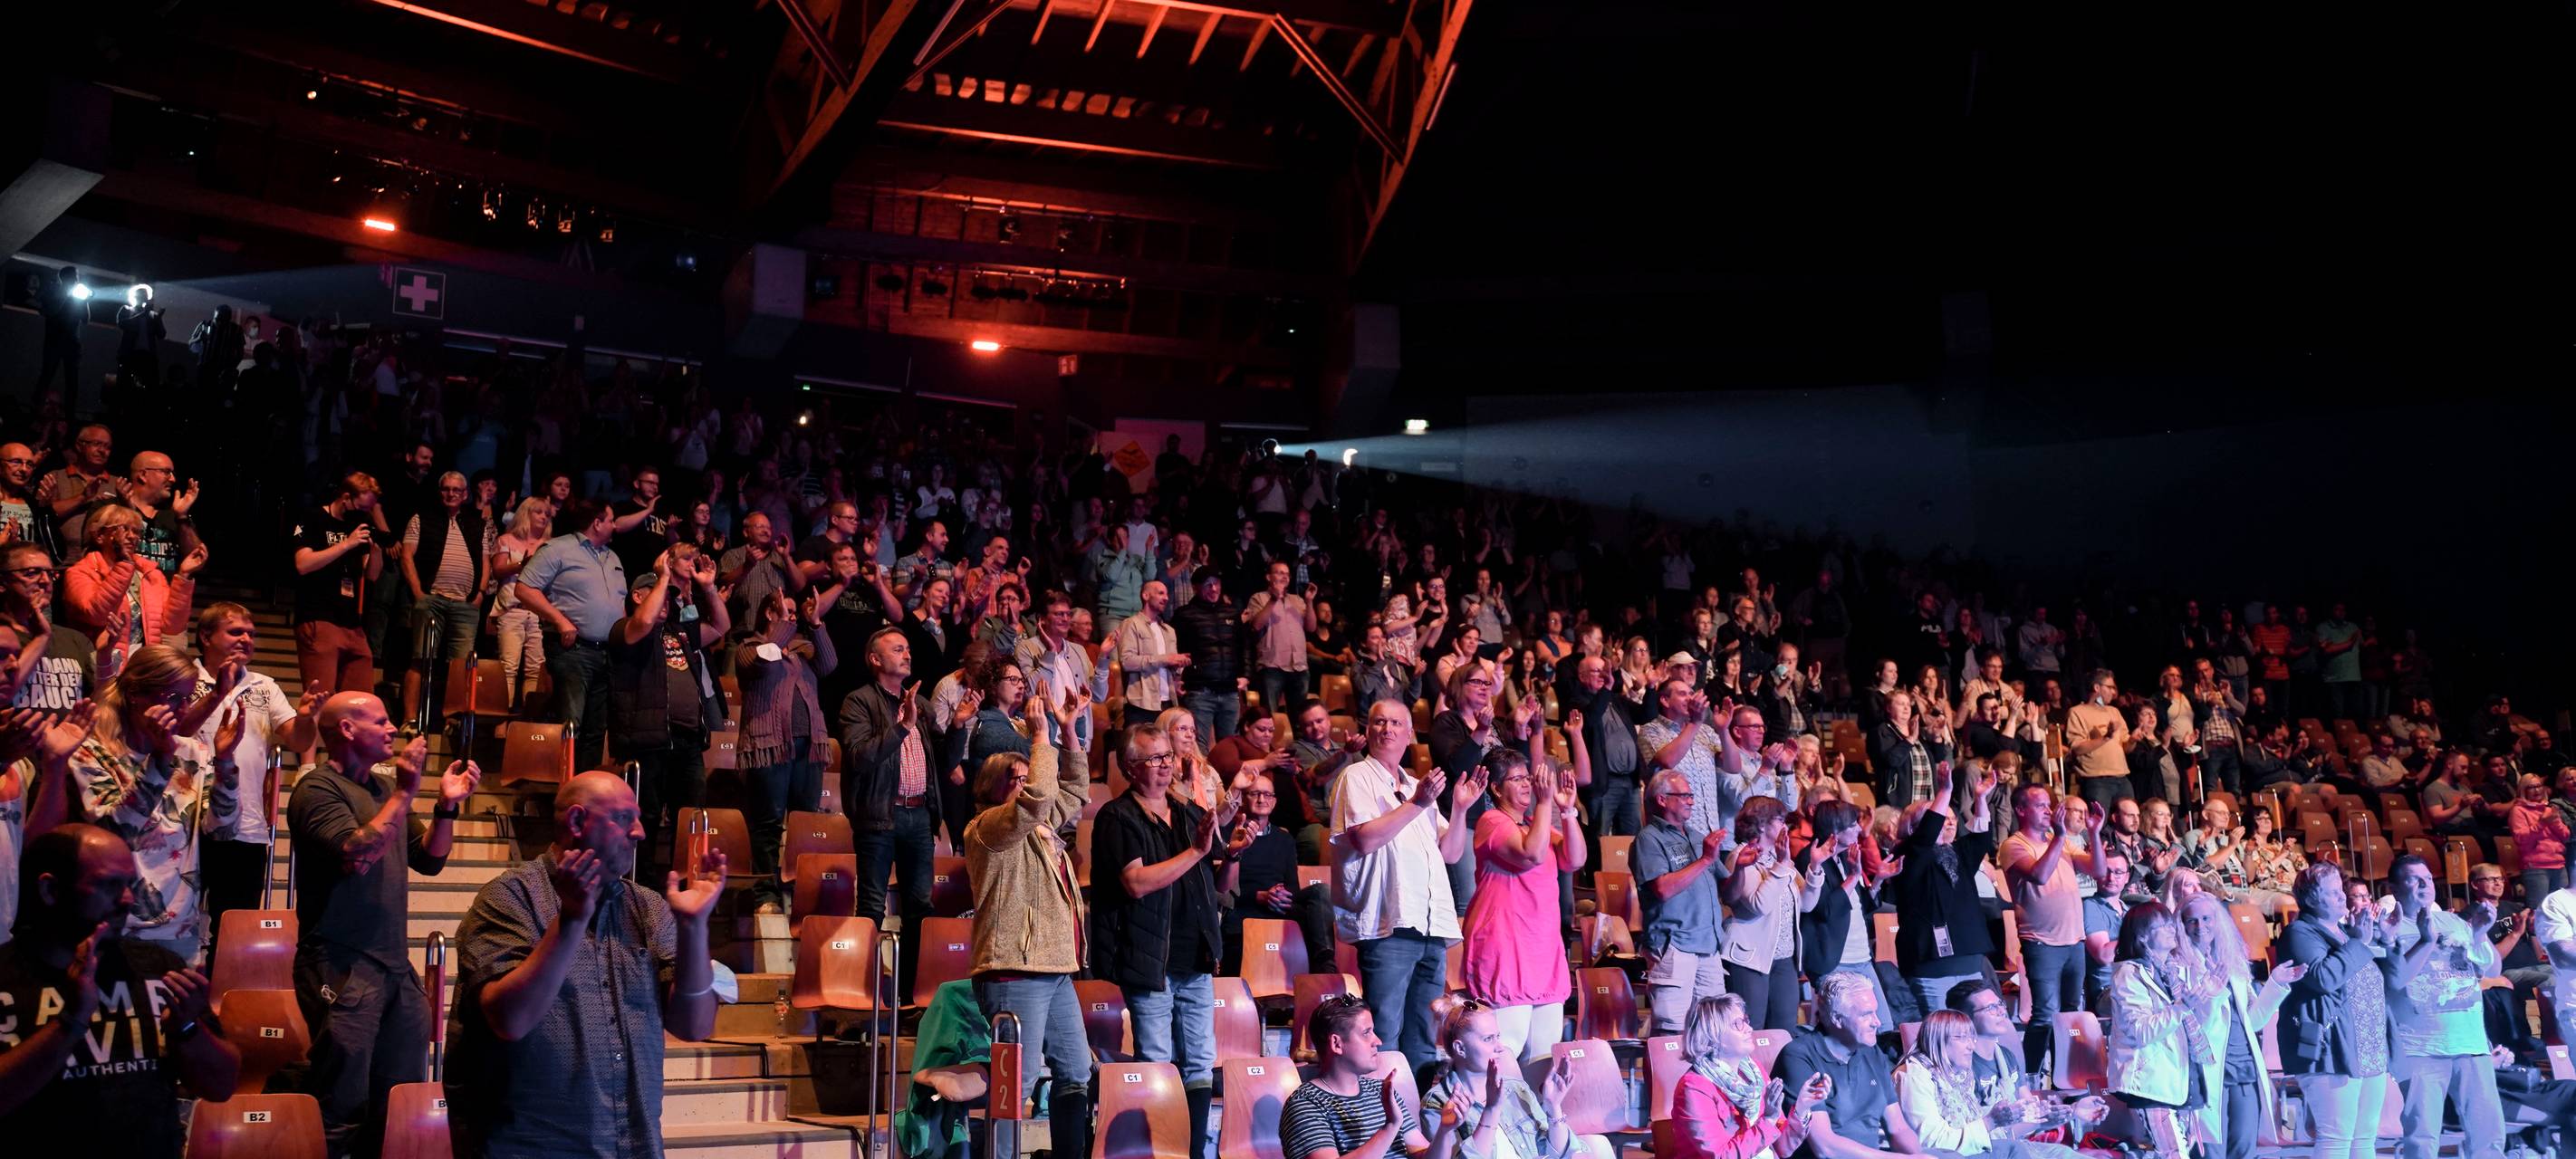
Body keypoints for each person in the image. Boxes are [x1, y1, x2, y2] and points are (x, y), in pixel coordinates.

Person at [446, 771, 726, 1158]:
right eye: (626, 818)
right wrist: (572, 921)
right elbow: (509, 1019)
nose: (640, 833)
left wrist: (694, 927)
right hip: (531, 1147)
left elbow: (694, 1026)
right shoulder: (510, 898)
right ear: (577, 822)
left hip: (633, 1146)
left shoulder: (646, 907)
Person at [287, 691, 482, 1158]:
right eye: (382, 722)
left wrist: (445, 808)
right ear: (349, 731)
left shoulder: (379, 788)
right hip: (341, 964)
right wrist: (404, 792)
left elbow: (429, 859)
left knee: (397, 1103)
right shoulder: (317, 788)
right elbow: (357, 855)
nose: (394, 730)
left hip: (393, 966)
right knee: (341, 1104)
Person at [0, 824, 241, 1154]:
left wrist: (187, 1028)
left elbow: (221, 1086)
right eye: (108, 884)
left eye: (128, 884)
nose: (128, 898)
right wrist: (71, 1021)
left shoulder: (157, 969)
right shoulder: (6, 979)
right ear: (50, 891)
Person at [1091, 722, 1235, 1159]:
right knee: (1156, 1058)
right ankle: (1157, 1148)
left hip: (1195, 955)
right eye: (1154, 758)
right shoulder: (1118, 816)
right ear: (1132, 768)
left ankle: (1190, 1151)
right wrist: (1195, 851)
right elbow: (1135, 883)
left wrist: (1234, 852)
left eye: (1167, 757)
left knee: (1200, 1061)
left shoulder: (1186, 809)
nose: (1164, 765)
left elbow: (1219, 882)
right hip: (1148, 958)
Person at [961, 690, 1091, 1159]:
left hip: (1054, 966)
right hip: (1014, 967)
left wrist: (1070, 732)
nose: (1024, 784)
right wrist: (1040, 737)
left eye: (1026, 777)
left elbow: (1072, 792)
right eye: (1014, 779)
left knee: (1077, 1070)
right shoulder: (987, 828)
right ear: (995, 788)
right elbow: (1038, 800)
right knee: (1017, 1084)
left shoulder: (1036, 826)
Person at [1331, 697, 1482, 1069]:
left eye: (1396, 723)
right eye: (1379, 722)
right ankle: (1383, 1120)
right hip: (1389, 924)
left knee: (1423, 1035)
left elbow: (1450, 852)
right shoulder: (1357, 777)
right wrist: (1417, 803)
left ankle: (1414, 1118)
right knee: (1384, 1031)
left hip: (1429, 924)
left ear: (1410, 734)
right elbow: (1364, 839)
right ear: (1367, 731)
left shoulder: (1418, 786)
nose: (1387, 729)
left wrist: (1459, 809)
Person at [71, 644, 240, 964]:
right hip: (112, 926)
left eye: (188, 697)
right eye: (173, 697)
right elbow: (117, 833)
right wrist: (160, 761)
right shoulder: (91, 752)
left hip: (179, 929)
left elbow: (223, 831)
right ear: (136, 694)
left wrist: (227, 763)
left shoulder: (190, 751)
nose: (184, 709)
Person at [188, 604, 319, 946]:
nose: (246, 639)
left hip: (245, 827)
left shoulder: (265, 686)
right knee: (180, 924)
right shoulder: (184, 678)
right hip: (184, 825)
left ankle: (223, 1000)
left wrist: (306, 717)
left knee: (234, 934)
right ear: (205, 636)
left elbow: (297, 738)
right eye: (236, 632)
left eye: (251, 634)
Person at [840, 626, 956, 998]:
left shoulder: (921, 706)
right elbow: (859, 757)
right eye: (897, 650)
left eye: (908, 649)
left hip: (919, 817)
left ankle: (911, 997)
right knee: (872, 907)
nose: (907, 655)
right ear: (875, 659)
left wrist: (959, 726)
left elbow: (943, 762)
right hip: (878, 816)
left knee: (920, 909)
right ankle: (861, 997)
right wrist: (902, 728)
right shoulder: (858, 701)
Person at [606, 552, 728, 883]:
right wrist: (662, 577)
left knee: (690, 818)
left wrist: (709, 589)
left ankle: (688, 888)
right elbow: (643, 622)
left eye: (668, 596)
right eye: (659, 594)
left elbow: (720, 627)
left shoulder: (680, 632)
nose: (666, 603)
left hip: (687, 741)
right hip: (647, 742)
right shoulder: (625, 630)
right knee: (642, 819)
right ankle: (639, 892)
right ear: (638, 596)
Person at [1458, 746, 1582, 1062]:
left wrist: (1566, 812)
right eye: (1517, 779)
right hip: (1507, 947)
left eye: (1528, 777)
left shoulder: (1535, 824)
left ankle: (1538, 1113)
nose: (1527, 784)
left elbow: (1575, 858)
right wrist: (1544, 803)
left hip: (1542, 949)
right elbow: (1531, 854)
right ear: (1497, 788)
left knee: (1544, 1055)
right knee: (1505, 1051)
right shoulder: (1492, 821)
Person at [2383, 854, 2506, 1159]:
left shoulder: (2454, 922)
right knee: (2422, 1138)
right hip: (2421, 1048)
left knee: (2488, 1136)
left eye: (2428, 877)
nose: (2426, 884)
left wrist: (2479, 933)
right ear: (2395, 887)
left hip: (2471, 1044)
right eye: (2415, 878)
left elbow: (2492, 970)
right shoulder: (2388, 927)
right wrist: (2425, 941)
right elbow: (2395, 981)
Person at [2276, 862, 2395, 1159]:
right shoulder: (2300, 933)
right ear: (2312, 899)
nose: (2343, 897)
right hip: (2331, 1050)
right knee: (2336, 1139)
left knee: (2364, 1139)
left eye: (2341, 891)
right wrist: (2358, 942)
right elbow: (2322, 978)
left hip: (2367, 1048)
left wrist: (2385, 939)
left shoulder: (2345, 933)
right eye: (2333, 893)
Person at [732, 589, 839, 913]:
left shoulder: (801, 651)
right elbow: (765, 661)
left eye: (795, 613)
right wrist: (782, 631)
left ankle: (802, 890)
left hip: (808, 746)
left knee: (804, 823)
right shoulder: (749, 648)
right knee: (768, 823)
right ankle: (766, 895)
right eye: (787, 611)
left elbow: (829, 663)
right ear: (769, 613)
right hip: (770, 746)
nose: (794, 617)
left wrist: (815, 622)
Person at [2177, 892, 2305, 1159]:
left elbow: (2254, 1020)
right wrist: (2210, 993)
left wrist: (2276, 983)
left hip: (2244, 1066)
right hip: (2210, 1071)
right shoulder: (2179, 967)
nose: (2201, 927)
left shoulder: (2232, 961)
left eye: (2206, 918)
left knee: (2244, 1150)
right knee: (2212, 1152)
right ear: (2182, 925)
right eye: (2192, 921)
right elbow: (2193, 1026)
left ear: (2218, 921)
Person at [514, 498, 628, 770]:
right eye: (611, 520)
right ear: (597, 523)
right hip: (572, 650)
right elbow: (525, 588)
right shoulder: (558, 549)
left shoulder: (613, 556)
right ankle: (563, 792)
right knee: (571, 724)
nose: (615, 525)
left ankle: (584, 791)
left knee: (596, 729)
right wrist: (560, 620)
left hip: (607, 653)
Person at [2001, 782, 2104, 1065]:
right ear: (2021, 810)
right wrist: (2058, 838)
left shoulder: (2059, 840)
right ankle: (2031, 1077)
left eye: (2049, 804)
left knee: (2071, 1013)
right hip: (2042, 943)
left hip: (2074, 940)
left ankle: (2066, 1076)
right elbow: (2040, 875)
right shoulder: (2013, 845)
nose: (2048, 810)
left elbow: (2099, 870)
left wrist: (2093, 834)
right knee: (2045, 1014)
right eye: (2040, 805)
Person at [1894, 1009, 2086, 1159]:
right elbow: (1932, 1141)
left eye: (1971, 1037)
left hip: (1985, 1148)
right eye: (1961, 1038)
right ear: (1937, 1040)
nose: (1971, 1045)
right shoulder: (1914, 1075)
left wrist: (2045, 1121)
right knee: (2013, 1150)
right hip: (1950, 1155)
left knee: (2066, 1154)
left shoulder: (1959, 1074)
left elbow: (1996, 1135)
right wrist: (1991, 1121)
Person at [1888, 760, 1999, 1018]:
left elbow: (1981, 837)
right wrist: (1944, 791)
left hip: (1968, 957)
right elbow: (1925, 839)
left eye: (1951, 819)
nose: (1948, 823)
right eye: (1940, 818)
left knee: (1970, 1030)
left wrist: (1980, 799)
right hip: (1930, 963)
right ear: (1915, 827)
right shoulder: (1906, 854)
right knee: (1940, 1033)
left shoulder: (1956, 853)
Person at [1420, 999, 1593, 1159]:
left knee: (1597, 1145)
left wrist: (1553, 1106)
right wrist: (1492, 1110)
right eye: (1488, 1039)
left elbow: (1561, 1154)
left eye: (1498, 1037)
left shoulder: (1515, 1088)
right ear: (1460, 1048)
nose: (1500, 1047)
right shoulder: (1439, 1102)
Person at [1776, 970, 1919, 1159]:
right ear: (1836, 1018)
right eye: (1866, 1015)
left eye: (1875, 1012)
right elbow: (1825, 1147)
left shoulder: (1872, 1052)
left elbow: (1898, 1129)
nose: (1877, 1022)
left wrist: (1918, 1156)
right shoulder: (1799, 1056)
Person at [1661, 992, 1821, 1159]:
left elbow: (1782, 1149)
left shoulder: (1754, 1073)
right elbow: (1722, 1156)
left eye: (1746, 1020)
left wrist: (1802, 1107)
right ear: (1712, 1036)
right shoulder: (1694, 1088)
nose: (1749, 1029)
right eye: (1737, 1024)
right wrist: (1767, 1120)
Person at [1278, 995, 1432, 1159]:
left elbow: (1424, 1155)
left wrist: (1445, 1129)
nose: (1378, 1041)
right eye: (1366, 1033)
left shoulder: (1381, 1091)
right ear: (1337, 1044)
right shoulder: (1305, 1104)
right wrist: (1390, 1126)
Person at [62, 501, 204, 677]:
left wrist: (183, 575)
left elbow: (172, 626)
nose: (132, 536)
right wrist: (125, 565)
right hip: (99, 670)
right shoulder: (80, 572)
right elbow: (96, 614)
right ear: (99, 536)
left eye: (136, 531)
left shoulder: (150, 574)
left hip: (143, 672)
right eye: (122, 529)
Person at [1216, 769, 1334, 976]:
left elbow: (1293, 886)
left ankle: (1325, 963)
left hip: (1279, 907)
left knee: (1321, 892)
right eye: (1255, 794)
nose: (1262, 799)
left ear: (1274, 801)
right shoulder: (1229, 834)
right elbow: (1221, 888)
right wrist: (1259, 896)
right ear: (1244, 799)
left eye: (1267, 794)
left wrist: (1281, 894)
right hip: (1243, 908)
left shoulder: (1285, 839)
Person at [1637, 770, 1727, 1034]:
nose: (1691, 801)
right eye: (1684, 795)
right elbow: (1662, 889)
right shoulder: (1649, 839)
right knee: (1672, 1034)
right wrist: (1705, 860)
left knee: (1713, 1033)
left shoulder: (1697, 837)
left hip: (1708, 948)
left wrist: (1744, 866)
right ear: (1663, 799)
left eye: (1691, 795)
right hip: (1674, 947)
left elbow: (1727, 887)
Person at [397, 471, 493, 721]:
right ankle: (409, 719)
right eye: (446, 489)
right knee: (420, 658)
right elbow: (406, 555)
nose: (451, 494)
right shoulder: (422, 518)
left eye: (456, 490)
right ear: (440, 492)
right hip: (432, 598)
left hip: (466, 603)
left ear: (465, 495)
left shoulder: (476, 523)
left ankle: (452, 719)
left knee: (460, 666)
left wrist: (480, 593)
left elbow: (485, 561)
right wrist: (418, 593)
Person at [1800, 798, 1894, 1034]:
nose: (1859, 829)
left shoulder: (1845, 856)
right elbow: (1825, 911)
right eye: (1852, 825)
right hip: (1834, 963)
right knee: (1849, 1032)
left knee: (1883, 1027)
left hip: (1862, 958)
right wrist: (1853, 876)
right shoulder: (1810, 858)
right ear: (1834, 829)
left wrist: (1878, 879)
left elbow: (1859, 905)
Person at [1719, 794, 1811, 1032]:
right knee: (1752, 1028)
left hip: (1784, 958)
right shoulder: (1741, 855)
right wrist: (1781, 865)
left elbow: (1807, 903)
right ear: (1761, 824)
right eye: (1780, 820)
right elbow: (1759, 904)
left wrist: (1817, 868)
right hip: (1751, 958)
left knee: (1784, 1030)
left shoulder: (1779, 858)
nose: (1785, 826)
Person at [3, 543, 94, 711]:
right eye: (32, 573)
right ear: (2, 582)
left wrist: (105, 658)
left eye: (50, 574)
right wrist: (42, 638)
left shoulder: (74, 640)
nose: (45, 581)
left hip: (70, 736)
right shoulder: (4, 637)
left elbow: (101, 700)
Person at [485, 498, 554, 711]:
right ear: (526, 514)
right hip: (512, 610)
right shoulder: (507, 540)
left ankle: (528, 721)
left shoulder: (550, 545)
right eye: (538, 512)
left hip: (539, 613)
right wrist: (521, 565)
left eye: (547, 514)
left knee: (536, 670)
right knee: (508, 667)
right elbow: (497, 571)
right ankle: (501, 723)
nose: (544, 517)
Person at [1016, 589, 1106, 752]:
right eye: (1059, 614)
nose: (1065, 619)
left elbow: (1098, 696)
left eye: (1067, 614)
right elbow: (1029, 693)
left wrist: (1104, 658)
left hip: (1077, 733)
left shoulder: (1078, 650)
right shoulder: (1026, 648)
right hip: (1046, 734)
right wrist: (1050, 652)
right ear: (1042, 619)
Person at [1170, 570, 1245, 745]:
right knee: (1197, 746)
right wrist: (1176, 676)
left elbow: (1243, 646)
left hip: (1229, 690)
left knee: (1229, 747)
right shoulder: (1184, 614)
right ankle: (1198, 774)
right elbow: (1174, 649)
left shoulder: (1232, 612)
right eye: (1208, 584)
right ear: (1196, 588)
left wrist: (1245, 675)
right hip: (1199, 691)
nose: (1214, 589)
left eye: (1216, 583)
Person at [1244, 561, 1319, 714]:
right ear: (1268, 577)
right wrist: (1274, 599)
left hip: (1299, 666)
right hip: (1272, 666)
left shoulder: (1297, 600)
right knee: (1269, 716)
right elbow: (1256, 625)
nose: (1284, 576)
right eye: (1279, 573)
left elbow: (1311, 627)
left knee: (1299, 719)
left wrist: (1310, 601)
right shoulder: (1258, 598)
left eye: (1287, 574)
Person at [1111, 580, 1187, 729]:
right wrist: (1165, 659)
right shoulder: (1131, 624)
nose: (1166, 598)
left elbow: (1171, 667)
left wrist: (1179, 665)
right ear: (1146, 596)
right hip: (1141, 703)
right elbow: (1127, 661)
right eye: (1160, 593)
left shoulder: (1169, 630)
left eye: (1166, 594)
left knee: (1166, 750)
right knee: (1139, 750)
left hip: (1167, 703)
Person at [1868, 686, 1953, 809]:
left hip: (1925, 800)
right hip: (1898, 803)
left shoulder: (1914, 729)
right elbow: (1892, 760)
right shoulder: (1882, 731)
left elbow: (1937, 758)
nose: (1906, 708)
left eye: (1908, 704)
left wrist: (1937, 736)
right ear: (1888, 708)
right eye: (1901, 704)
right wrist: (1911, 738)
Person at [2062, 669, 2130, 811]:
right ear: (2097, 687)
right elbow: (2076, 749)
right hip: (2097, 781)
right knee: (2099, 825)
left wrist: (2135, 739)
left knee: (2128, 824)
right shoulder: (2077, 712)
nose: (2114, 692)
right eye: (2110, 687)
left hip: (2122, 778)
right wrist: (2106, 737)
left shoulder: (2114, 711)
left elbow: (2127, 746)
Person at [2508, 773, 2571, 904]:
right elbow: (2520, 838)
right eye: (2531, 787)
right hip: (2536, 867)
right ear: (2523, 790)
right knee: (2538, 910)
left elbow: (2565, 836)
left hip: (2558, 864)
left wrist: (2555, 822)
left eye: (2539, 786)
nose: (2537, 790)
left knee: (2563, 908)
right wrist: (2542, 823)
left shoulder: (2549, 809)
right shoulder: (2518, 810)